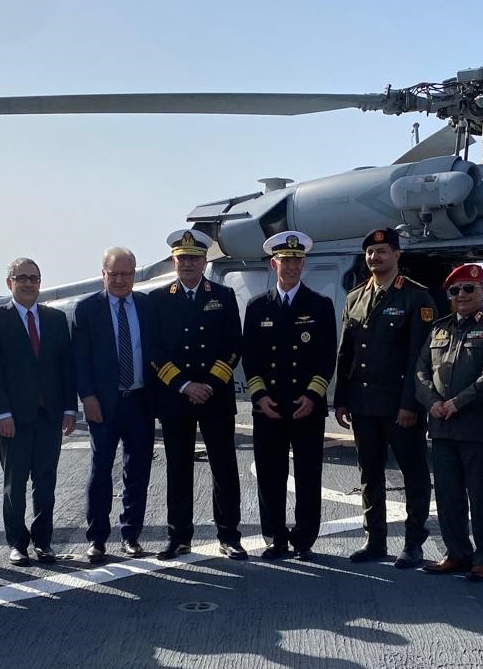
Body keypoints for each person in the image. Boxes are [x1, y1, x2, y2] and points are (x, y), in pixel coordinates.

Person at [332, 227, 435, 568]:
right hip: (363, 404)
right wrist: (341, 398)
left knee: (414, 474)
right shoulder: (355, 297)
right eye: (370, 253)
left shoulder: (415, 297)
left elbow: (420, 358)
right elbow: (346, 352)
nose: (375, 258)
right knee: (369, 474)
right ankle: (374, 540)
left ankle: (413, 543)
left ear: (397, 255)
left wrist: (410, 404)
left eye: (383, 252)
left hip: (399, 406)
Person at [145, 228, 246, 561]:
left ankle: (230, 535)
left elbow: (234, 345)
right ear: (174, 262)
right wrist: (185, 385)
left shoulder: (223, 295)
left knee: (224, 467)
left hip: (215, 396)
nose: (187, 263)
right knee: (178, 469)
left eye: (193, 258)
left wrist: (210, 385)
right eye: (181, 258)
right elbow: (154, 351)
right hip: (177, 396)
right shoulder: (158, 299)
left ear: (204, 261)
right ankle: (178, 536)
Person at [241, 232, 336, 561]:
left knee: (309, 474)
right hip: (268, 406)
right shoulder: (257, 307)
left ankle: (304, 539)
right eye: (286, 260)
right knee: (270, 475)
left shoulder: (320, 305)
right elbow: (250, 357)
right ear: (274, 263)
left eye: (297, 260)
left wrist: (312, 395)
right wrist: (259, 397)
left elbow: (327, 357)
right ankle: (275, 537)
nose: (292, 265)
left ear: (304, 263)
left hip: (305, 405)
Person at [415, 263, 483, 582]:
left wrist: (458, 403)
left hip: (478, 428)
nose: (462, 295)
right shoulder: (439, 328)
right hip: (442, 427)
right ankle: (456, 553)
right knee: (447, 495)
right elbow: (421, 371)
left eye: (469, 289)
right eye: (455, 291)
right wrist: (433, 402)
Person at [0, 257, 76, 565]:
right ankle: (17, 543)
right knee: (15, 482)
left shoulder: (55, 319)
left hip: (49, 414)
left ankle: (43, 541)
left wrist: (69, 408)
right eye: (21, 277)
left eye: (33, 278)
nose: (27, 283)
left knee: (46, 480)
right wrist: (1, 413)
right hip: (14, 417)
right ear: (9, 283)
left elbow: (66, 368)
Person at [71, 246, 155, 564]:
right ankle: (97, 538)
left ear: (134, 274)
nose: (120, 280)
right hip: (103, 404)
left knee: (137, 471)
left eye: (126, 274)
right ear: (103, 274)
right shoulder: (86, 309)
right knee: (100, 470)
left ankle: (131, 535)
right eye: (114, 274)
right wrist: (87, 398)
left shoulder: (147, 306)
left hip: (139, 401)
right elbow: (80, 359)